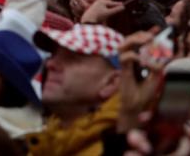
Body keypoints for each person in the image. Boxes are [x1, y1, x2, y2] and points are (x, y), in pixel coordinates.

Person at [27, 24, 124, 155]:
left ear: (111, 83)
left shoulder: (120, 148)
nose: (50, 64)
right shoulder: (44, 143)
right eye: (54, 55)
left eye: (72, 59)